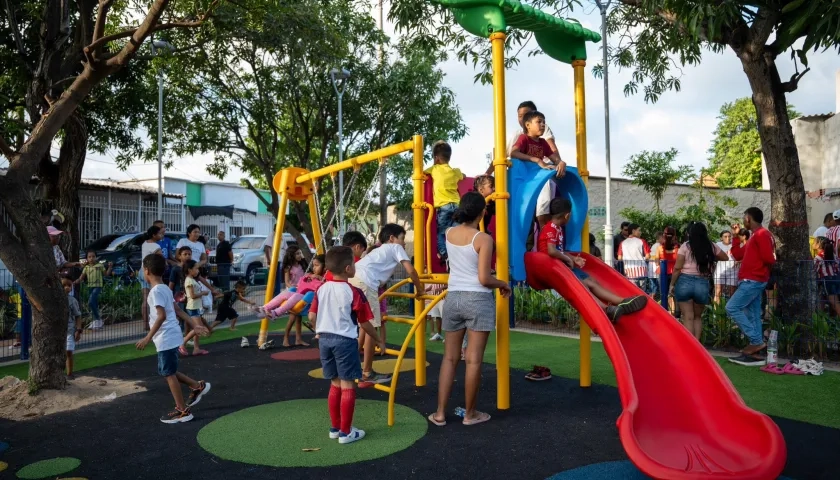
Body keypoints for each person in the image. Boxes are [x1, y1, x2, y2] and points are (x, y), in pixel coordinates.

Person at [428, 192, 511, 427]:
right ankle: (470, 414)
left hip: (453, 298)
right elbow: (484, 278)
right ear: (483, 213)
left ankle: (440, 414)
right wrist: (503, 283)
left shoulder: (449, 233)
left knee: (449, 358)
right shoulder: (483, 239)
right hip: (478, 299)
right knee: (473, 361)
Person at [308, 246, 383, 444]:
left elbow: (311, 315)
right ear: (349, 268)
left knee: (334, 383)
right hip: (345, 341)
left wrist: (318, 330)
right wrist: (378, 339)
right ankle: (346, 432)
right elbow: (365, 323)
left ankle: (335, 428)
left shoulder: (321, 289)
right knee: (348, 385)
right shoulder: (354, 292)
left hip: (324, 339)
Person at [538, 198, 647, 323]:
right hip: (551, 267)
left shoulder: (557, 229)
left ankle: (622, 302)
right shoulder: (551, 228)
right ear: (567, 215)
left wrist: (573, 258)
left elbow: (559, 250)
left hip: (560, 265)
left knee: (590, 280)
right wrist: (567, 259)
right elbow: (551, 251)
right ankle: (606, 309)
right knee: (582, 285)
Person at [135, 254, 211, 424]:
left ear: (146, 271)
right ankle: (197, 386)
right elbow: (178, 310)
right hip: (170, 335)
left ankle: (182, 410)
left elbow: (161, 316)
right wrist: (194, 324)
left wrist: (148, 337)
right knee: (168, 370)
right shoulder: (164, 288)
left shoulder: (156, 291)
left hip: (166, 337)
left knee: (168, 373)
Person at [351, 224, 423, 385]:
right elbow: (411, 270)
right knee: (372, 326)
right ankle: (367, 372)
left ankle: (351, 366)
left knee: (364, 325)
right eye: (402, 239)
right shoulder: (394, 247)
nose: (404, 243)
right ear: (392, 238)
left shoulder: (376, 251)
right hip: (366, 283)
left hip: (352, 280)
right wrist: (420, 290)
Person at [726, 207, 776, 366]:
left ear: (748, 218)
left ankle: (756, 341)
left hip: (753, 280)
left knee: (731, 307)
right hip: (752, 279)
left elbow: (769, 257)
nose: (742, 221)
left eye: (744, 217)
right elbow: (737, 254)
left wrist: (760, 270)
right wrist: (735, 237)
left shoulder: (761, 234)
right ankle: (756, 352)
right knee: (754, 314)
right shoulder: (756, 236)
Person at [669, 222, 729, 340]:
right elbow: (725, 257)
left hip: (685, 282)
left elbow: (677, 268)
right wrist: (710, 258)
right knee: (697, 317)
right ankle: (698, 347)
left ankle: (690, 346)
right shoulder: (711, 246)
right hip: (702, 282)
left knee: (687, 317)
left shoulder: (685, 246)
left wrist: (672, 284)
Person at [510, 110, 568, 229]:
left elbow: (554, 158)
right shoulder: (523, 138)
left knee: (544, 202)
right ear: (528, 125)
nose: (543, 125)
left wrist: (560, 162)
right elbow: (514, 153)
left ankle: (544, 236)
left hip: (538, 178)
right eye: (539, 122)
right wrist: (536, 160)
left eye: (544, 122)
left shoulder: (543, 142)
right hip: (525, 179)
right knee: (525, 214)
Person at [424, 141, 465, 266]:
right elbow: (463, 176)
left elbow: (422, 174)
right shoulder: (455, 171)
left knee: (441, 232)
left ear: (436, 158)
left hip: (444, 206)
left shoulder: (435, 168)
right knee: (455, 232)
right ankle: (456, 255)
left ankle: (444, 254)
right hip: (457, 205)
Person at [257, 254, 326, 320]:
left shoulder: (327, 277)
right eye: (313, 265)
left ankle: (275, 313)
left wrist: (319, 278)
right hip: (302, 296)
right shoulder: (312, 276)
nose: (314, 268)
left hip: (311, 300)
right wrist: (309, 277)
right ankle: (265, 308)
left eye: (317, 265)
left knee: (296, 296)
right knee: (286, 293)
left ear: (325, 267)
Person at [75, 250, 113, 330]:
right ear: (87, 258)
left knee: (91, 302)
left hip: (98, 286)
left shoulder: (100, 265)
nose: (91, 258)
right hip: (90, 287)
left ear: (96, 257)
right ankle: (96, 321)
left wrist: (110, 267)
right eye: (89, 257)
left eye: (93, 256)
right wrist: (74, 282)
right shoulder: (86, 267)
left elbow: (106, 274)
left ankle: (98, 319)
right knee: (94, 304)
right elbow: (81, 278)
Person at [182, 259, 211, 355]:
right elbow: (192, 296)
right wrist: (203, 293)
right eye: (196, 268)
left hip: (195, 307)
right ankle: (182, 343)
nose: (198, 271)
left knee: (198, 328)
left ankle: (196, 348)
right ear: (190, 270)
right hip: (192, 307)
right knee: (198, 328)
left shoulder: (192, 280)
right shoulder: (189, 281)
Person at [141, 225, 166, 332]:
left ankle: (145, 324)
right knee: (155, 298)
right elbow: (162, 260)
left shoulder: (144, 243)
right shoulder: (155, 246)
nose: (161, 235)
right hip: (151, 273)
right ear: (154, 235)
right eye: (159, 233)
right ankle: (154, 323)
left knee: (145, 299)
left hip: (142, 271)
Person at [814, 237, 840, 316]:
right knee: (823, 300)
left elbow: (814, 269)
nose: (812, 244)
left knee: (834, 303)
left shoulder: (818, 257)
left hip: (827, 280)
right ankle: (820, 318)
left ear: (818, 245)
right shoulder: (833, 254)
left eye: (814, 242)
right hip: (836, 278)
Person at [62, 277, 82, 379]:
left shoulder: (72, 300)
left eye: (69, 285)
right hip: (58, 331)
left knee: (68, 351)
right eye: (64, 285)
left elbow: (78, 315)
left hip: (70, 329)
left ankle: (69, 373)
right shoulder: (53, 300)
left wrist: (78, 330)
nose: (67, 288)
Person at [659, 226, 680, 315]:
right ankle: (677, 313)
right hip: (676, 273)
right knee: (676, 294)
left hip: (664, 273)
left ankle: (667, 314)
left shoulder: (660, 248)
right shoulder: (678, 248)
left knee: (664, 294)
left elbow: (656, 261)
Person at [713, 230, 738, 304]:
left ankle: (730, 312)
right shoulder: (717, 245)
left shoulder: (734, 244)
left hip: (733, 271)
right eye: (725, 236)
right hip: (720, 271)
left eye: (729, 236)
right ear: (721, 238)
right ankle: (716, 312)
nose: (728, 238)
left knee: (732, 292)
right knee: (718, 291)